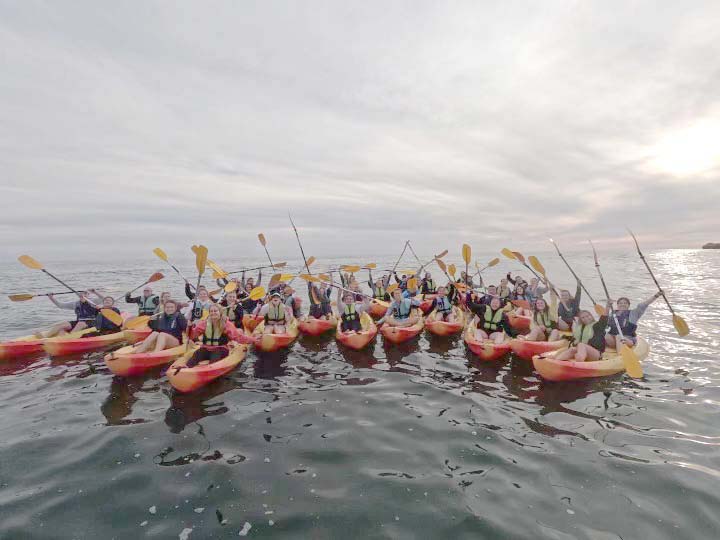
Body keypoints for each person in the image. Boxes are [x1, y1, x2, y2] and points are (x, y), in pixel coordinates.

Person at [36, 289, 104, 337]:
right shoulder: (75, 303)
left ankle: (69, 337)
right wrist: (51, 298)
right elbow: (60, 305)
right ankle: (45, 336)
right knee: (62, 324)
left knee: (81, 323)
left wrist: (95, 292)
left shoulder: (93, 301)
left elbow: (104, 299)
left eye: (85, 293)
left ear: (88, 294)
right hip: (79, 321)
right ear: (78, 295)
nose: (83, 294)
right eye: (81, 293)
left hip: (91, 322)